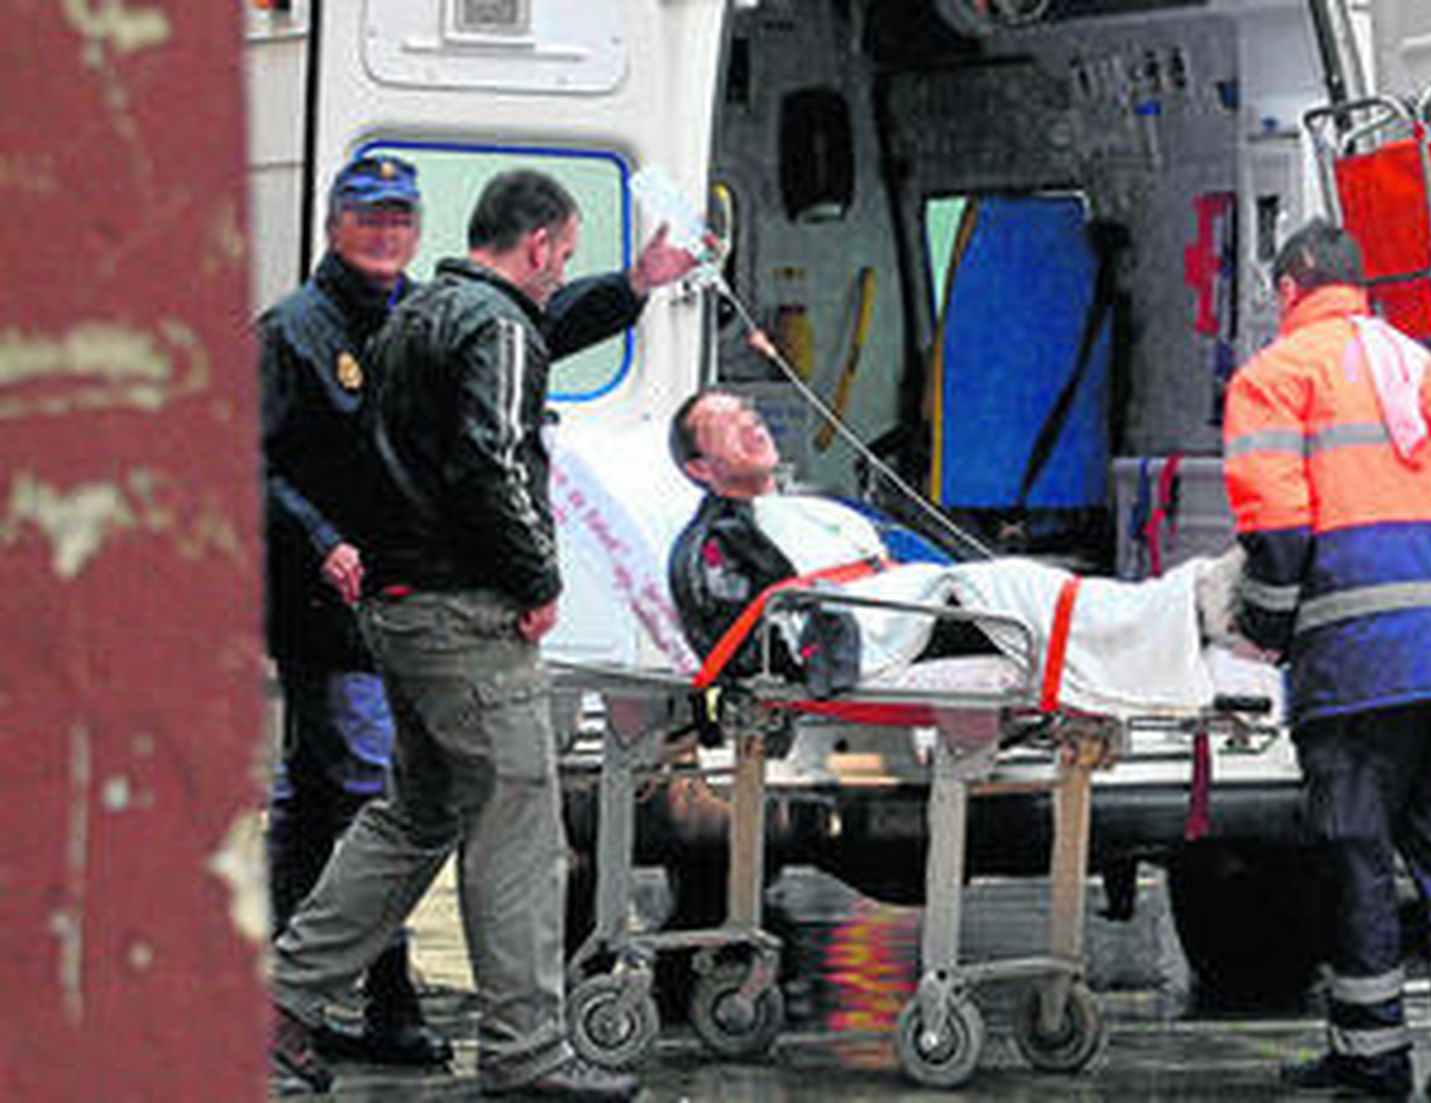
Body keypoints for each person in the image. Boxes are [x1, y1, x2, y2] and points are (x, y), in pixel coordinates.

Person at [270, 168, 695, 1100]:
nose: (561, 271)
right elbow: (491, 463)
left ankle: (281, 1001)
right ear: (537, 244)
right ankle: (527, 1049)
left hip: (398, 610)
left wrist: (632, 284)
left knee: (413, 814)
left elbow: (526, 343)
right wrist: (537, 577)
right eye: (564, 255)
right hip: (467, 616)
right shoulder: (494, 327)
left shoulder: (417, 316)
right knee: (518, 823)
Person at [1221, 219, 1431, 1101]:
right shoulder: (1429, 372)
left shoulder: (1276, 377)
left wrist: (1262, 632)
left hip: (1364, 658)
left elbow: (1279, 536)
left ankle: (1372, 1058)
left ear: (1288, 289)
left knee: (1356, 856)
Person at [665, 388, 1237, 714]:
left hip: (914, 610)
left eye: (749, 414)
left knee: (1016, 582)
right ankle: (1189, 607)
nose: (751, 425)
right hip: (875, 635)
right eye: (726, 425)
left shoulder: (828, 509)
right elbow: (746, 647)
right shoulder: (714, 545)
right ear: (699, 468)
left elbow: (914, 558)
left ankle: (1183, 611)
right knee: (1010, 585)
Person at [257, 153, 451, 1067]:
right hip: (320, 606)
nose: (385, 232)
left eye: (399, 218)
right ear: (335, 224)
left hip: (404, 598)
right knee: (375, 792)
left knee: (315, 792)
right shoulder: (291, 331)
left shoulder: (424, 318)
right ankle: (386, 995)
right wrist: (320, 538)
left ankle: (281, 978)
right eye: (368, 217)